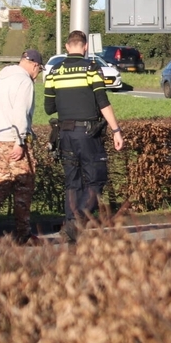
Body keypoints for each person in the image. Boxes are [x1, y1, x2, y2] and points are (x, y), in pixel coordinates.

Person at [44, 30, 125, 243]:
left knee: (73, 181)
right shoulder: (91, 68)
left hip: (65, 134)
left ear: (67, 46)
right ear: (85, 46)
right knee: (97, 178)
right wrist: (116, 130)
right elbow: (102, 101)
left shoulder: (54, 71)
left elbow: (49, 108)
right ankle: (76, 221)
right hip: (87, 134)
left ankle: (70, 224)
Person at [0, 50, 43, 242]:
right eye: (39, 69)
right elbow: (20, 112)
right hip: (13, 139)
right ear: (35, 65)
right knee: (23, 185)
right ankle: (23, 234)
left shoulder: (0, 80)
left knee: (0, 185)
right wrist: (19, 141)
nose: (38, 74)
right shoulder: (24, 81)